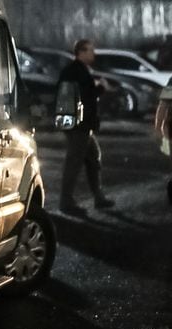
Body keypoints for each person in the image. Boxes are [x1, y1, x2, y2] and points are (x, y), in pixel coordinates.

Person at [57, 39, 115, 216]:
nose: (93, 54)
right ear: (81, 52)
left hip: (75, 123)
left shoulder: (73, 70)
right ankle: (66, 201)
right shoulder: (79, 71)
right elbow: (86, 96)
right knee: (75, 162)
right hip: (80, 125)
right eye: (90, 51)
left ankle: (98, 197)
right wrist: (101, 88)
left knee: (93, 157)